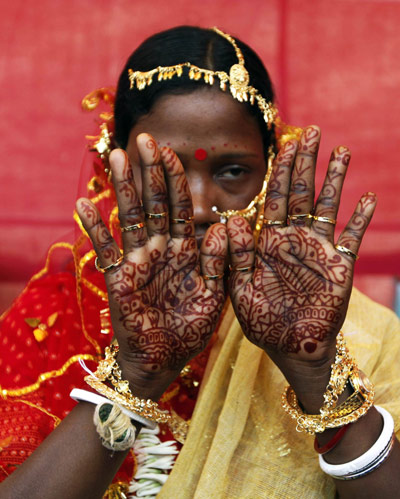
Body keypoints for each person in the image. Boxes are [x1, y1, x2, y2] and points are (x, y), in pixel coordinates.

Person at [1, 25, 400, 499]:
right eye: (164, 168)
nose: (201, 205)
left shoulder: (350, 331)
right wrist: (135, 376)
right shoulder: (48, 321)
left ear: (271, 169)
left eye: (232, 170)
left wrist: (316, 374)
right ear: (114, 164)